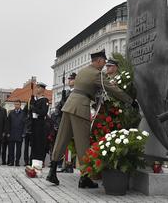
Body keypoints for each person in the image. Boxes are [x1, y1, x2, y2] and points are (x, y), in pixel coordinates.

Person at [47, 50, 137, 188]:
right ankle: (85, 178)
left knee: (62, 138)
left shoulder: (83, 71)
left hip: (69, 106)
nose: (104, 65)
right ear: (99, 60)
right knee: (82, 142)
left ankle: (52, 172)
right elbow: (112, 89)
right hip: (80, 108)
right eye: (104, 62)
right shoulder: (97, 74)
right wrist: (130, 101)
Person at [56, 72, 76, 173]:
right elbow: (60, 106)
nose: (69, 81)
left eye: (71, 79)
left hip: (72, 120)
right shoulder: (67, 92)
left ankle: (69, 165)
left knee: (70, 144)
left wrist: (64, 103)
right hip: (64, 119)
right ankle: (66, 164)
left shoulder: (76, 92)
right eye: (69, 79)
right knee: (66, 143)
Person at [29, 82, 49, 165]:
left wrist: (35, 109)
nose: (37, 89)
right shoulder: (35, 100)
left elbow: (44, 112)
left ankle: (39, 161)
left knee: (39, 144)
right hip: (34, 124)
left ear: (43, 89)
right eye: (36, 87)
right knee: (33, 144)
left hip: (40, 125)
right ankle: (32, 161)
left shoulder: (45, 100)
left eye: (38, 87)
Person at [5, 99, 26, 166]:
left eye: (18, 104)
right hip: (11, 133)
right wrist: (8, 132)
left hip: (20, 134)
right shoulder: (11, 113)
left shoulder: (23, 113)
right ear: (14, 105)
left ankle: (17, 161)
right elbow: (8, 123)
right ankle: (11, 162)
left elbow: (25, 124)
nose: (16, 105)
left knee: (18, 150)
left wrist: (23, 133)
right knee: (11, 149)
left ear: (20, 105)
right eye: (15, 104)